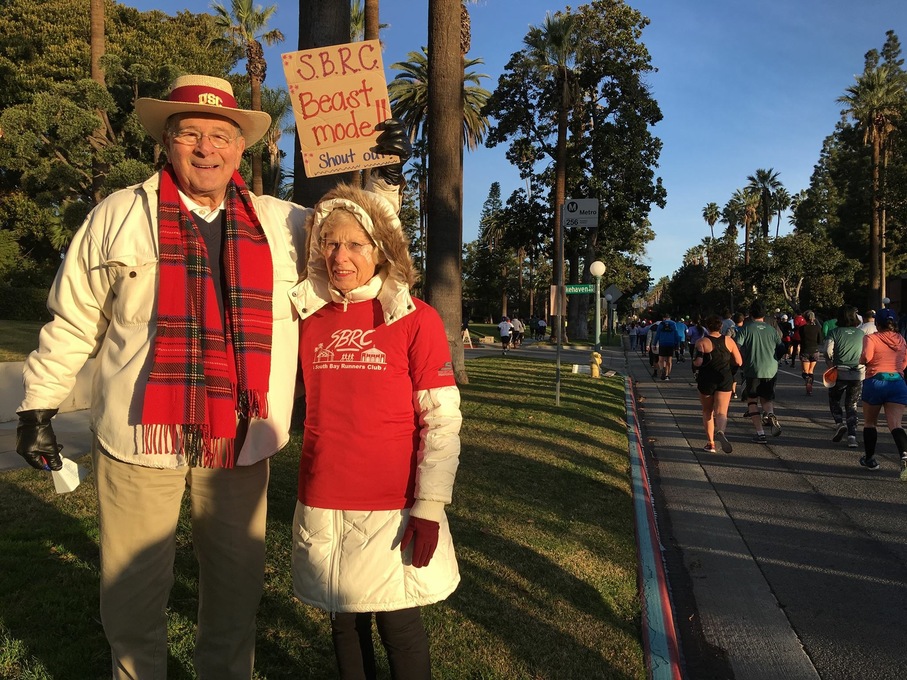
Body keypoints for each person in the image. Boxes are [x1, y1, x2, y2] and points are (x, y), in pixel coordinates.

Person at [13, 74, 408, 679]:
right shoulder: (118, 215)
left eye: (220, 135)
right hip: (139, 438)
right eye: (190, 133)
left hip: (240, 441)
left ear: (239, 147)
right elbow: (73, 320)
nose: (206, 148)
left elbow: (355, 238)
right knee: (131, 596)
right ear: (166, 143)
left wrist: (385, 184)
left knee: (235, 595)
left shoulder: (286, 224)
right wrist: (37, 406)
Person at [288, 183, 461, 679]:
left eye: (356, 244)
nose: (341, 255)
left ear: (381, 249)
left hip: (393, 503)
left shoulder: (415, 319)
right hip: (322, 494)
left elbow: (442, 419)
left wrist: (429, 506)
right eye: (331, 242)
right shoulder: (306, 316)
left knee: (397, 621)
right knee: (343, 624)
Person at [857, 308, 907, 472]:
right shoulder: (901, 339)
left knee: (870, 423)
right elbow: (904, 363)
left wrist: (861, 360)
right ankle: (904, 455)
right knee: (896, 424)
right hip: (898, 382)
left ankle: (870, 459)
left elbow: (867, 358)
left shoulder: (871, 338)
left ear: (877, 323)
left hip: (876, 381)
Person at [735, 300, 784, 443]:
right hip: (771, 369)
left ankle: (760, 433)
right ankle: (770, 414)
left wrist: (740, 362)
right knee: (767, 398)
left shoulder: (746, 328)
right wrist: (774, 358)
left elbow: (737, 346)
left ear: (750, 313)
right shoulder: (771, 329)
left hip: (753, 368)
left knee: (752, 400)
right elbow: (781, 348)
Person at [694, 314, 743, 453]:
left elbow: (698, 362)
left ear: (707, 327)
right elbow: (739, 361)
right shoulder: (729, 341)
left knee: (707, 411)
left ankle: (711, 443)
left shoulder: (701, 342)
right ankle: (721, 431)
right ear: (721, 326)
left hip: (707, 379)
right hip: (724, 378)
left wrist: (694, 363)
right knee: (721, 412)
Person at [825, 305, 865, 449]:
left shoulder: (834, 332)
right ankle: (852, 437)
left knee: (834, 400)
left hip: (839, 372)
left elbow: (828, 351)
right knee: (852, 404)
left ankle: (839, 423)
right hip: (857, 373)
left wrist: (830, 363)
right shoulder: (861, 334)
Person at [798, 310, 825, 395]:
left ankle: (807, 381)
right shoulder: (817, 328)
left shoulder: (802, 328)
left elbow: (801, 339)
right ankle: (809, 389)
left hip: (805, 350)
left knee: (804, 371)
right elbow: (820, 340)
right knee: (811, 371)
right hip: (815, 350)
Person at [655, 313, 683, 381]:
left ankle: (662, 370)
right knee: (669, 360)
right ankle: (667, 375)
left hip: (662, 343)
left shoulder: (661, 324)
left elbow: (657, 335)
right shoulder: (673, 324)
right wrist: (677, 344)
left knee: (661, 359)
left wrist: (654, 344)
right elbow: (676, 334)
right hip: (671, 344)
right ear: (669, 318)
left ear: (663, 318)